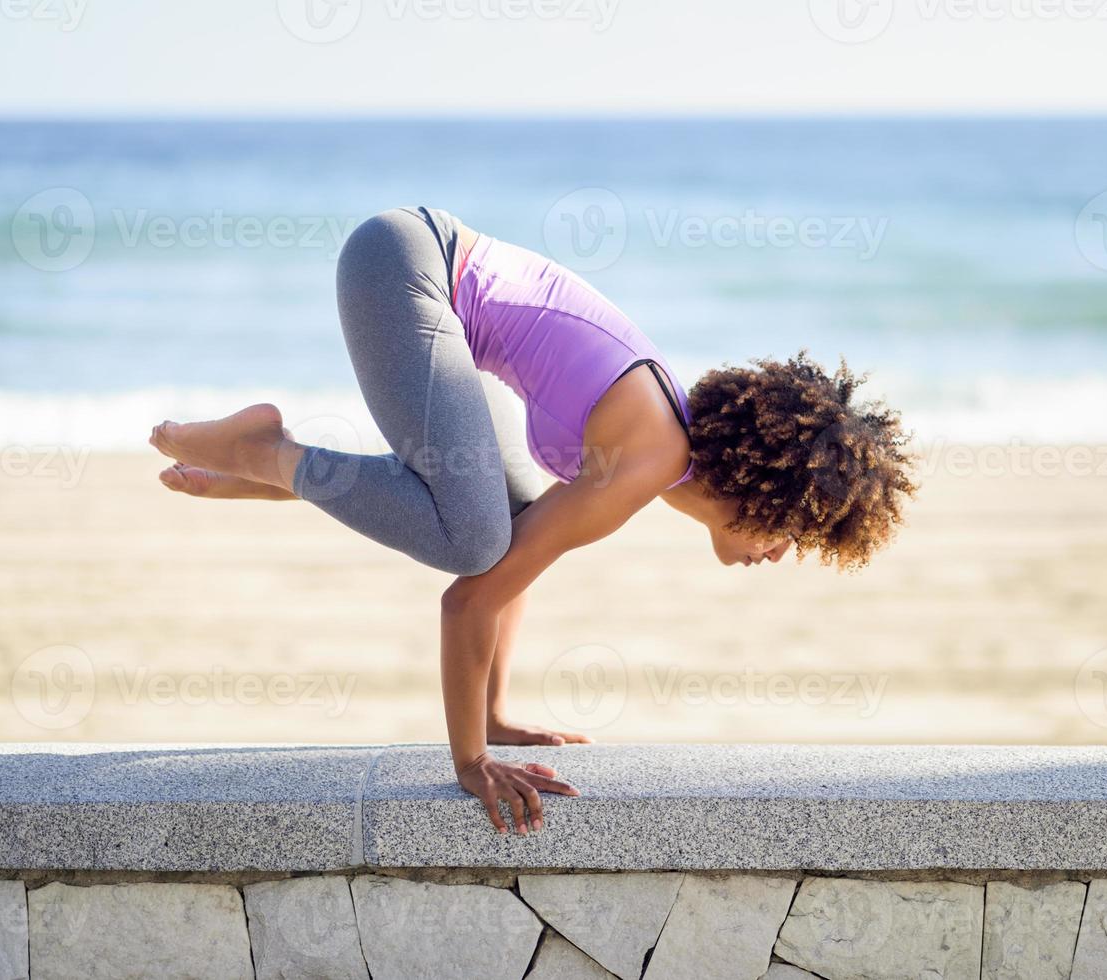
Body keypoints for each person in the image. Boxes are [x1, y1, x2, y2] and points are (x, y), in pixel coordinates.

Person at [148, 207, 915, 834]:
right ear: (764, 495)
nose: (779, 554)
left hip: (425, 271)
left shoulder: (654, 453)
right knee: (473, 539)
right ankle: (268, 452)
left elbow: (514, 557)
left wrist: (496, 716)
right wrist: (470, 761)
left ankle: (265, 464)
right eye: (792, 532)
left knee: (497, 523)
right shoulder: (645, 457)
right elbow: (469, 595)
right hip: (405, 268)